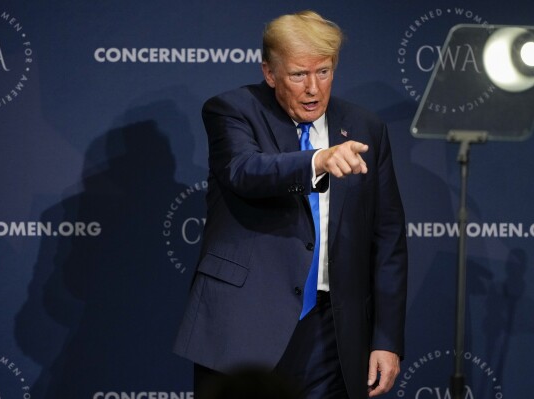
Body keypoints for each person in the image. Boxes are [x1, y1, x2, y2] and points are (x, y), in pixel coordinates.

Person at [174, 10, 408, 399]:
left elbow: (389, 239)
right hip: (243, 323)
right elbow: (245, 170)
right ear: (270, 73)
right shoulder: (232, 110)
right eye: (299, 75)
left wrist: (386, 338)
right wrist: (317, 160)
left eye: (324, 72)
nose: (313, 88)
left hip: (332, 333)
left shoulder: (366, 127)